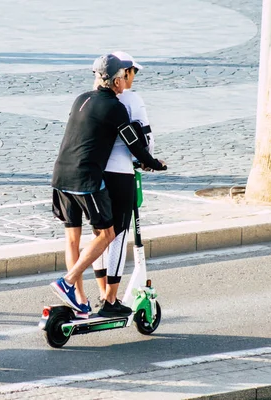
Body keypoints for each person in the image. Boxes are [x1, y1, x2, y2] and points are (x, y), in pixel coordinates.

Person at [50, 54, 167, 318]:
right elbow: (133, 143)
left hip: (60, 175)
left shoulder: (81, 99)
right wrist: (154, 163)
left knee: (72, 239)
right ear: (116, 80)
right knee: (107, 233)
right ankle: (68, 282)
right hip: (86, 178)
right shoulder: (115, 107)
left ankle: (80, 300)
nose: (127, 79)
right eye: (124, 76)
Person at [91, 51, 155, 314]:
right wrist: (148, 161)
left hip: (95, 174)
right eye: (133, 73)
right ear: (124, 74)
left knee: (99, 234)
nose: (133, 78)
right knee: (118, 235)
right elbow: (144, 134)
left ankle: (102, 292)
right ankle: (111, 299)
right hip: (120, 172)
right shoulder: (130, 99)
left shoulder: (93, 98)